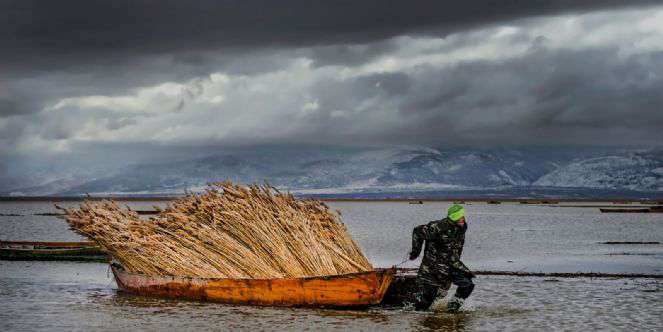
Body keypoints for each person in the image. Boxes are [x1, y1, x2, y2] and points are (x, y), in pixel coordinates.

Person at [409, 204, 475, 312]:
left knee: (467, 284)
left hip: (452, 266)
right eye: (459, 217)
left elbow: (456, 249)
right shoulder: (438, 227)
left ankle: (451, 309)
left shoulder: (461, 228)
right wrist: (416, 252)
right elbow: (417, 231)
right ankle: (416, 314)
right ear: (453, 218)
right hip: (432, 268)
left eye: (463, 217)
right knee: (426, 301)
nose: (462, 219)